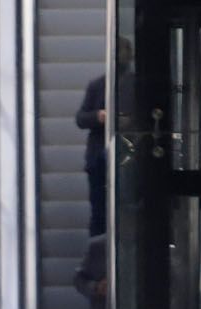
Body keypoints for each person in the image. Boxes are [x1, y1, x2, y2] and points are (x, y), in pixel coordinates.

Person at [74, 38, 131, 237]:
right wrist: (99, 116)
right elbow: (80, 118)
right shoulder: (97, 86)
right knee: (99, 209)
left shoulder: (133, 84)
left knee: (126, 206)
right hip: (99, 158)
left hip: (126, 156)